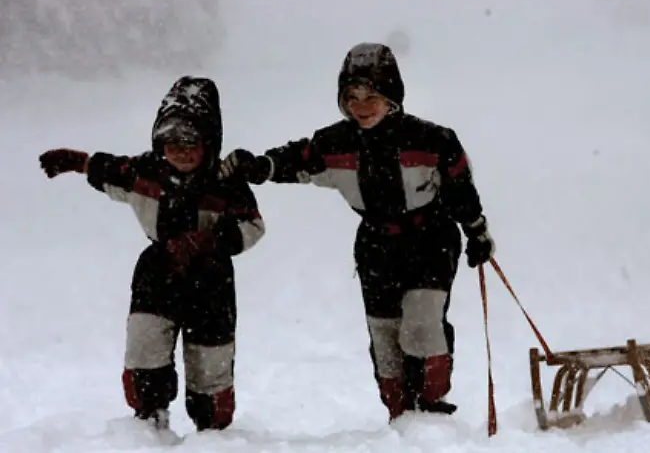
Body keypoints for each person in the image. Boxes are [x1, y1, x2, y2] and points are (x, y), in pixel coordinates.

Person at [217, 43, 495, 422]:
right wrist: (259, 166)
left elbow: (460, 188)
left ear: (392, 97)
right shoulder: (337, 143)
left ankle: (429, 407)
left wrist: (477, 231)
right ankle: (399, 412)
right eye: (351, 97)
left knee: (421, 321)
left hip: (430, 237)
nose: (361, 106)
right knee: (385, 333)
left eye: (371, 96)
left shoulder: (434, 141)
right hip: (377, 245)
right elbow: (295, 160)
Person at [38, 76, 265, 432]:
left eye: (191, 142)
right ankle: (149, 418)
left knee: (210, 358)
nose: (181, 151)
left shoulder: (225, 181)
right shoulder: (146, 172)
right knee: (146, 345)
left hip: (212, 280)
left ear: (210, 142)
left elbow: (253, 227)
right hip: (158, 273)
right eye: (171, 142)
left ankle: (213, 429)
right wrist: (78, 162)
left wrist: (208, 241)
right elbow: (110, 169)